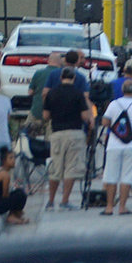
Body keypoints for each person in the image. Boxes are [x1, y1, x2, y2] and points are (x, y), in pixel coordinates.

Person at [41, 51, 95, 210]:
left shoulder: (52, 93)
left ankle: (50, 201)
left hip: (57, 132)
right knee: (71, 168)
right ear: (73, 78)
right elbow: (85, 115)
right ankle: (64, 201)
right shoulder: (78, 94)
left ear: (60, 77)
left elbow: (45, 116)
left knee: (55, 168)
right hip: (75, 132)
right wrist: (90, 120)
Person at [100, 78, 132, 216]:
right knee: (127, 177)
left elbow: (105, 121)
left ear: (122, 91)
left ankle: (109, 207)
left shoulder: (113, 104)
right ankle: (122, 207)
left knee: (111, 176)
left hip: (113, 145)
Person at [0, 150, 30, 236]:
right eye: (10, 158)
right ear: (4, 161)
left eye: (14, 158)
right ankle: (12, 216)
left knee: (19, 192)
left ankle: (15, 214)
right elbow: (5, 195)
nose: (13, 160)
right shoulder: (4, 174)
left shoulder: (1, 171)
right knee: (20, 195)